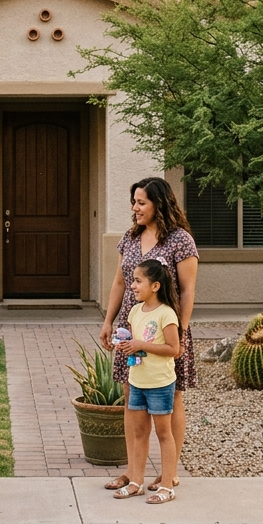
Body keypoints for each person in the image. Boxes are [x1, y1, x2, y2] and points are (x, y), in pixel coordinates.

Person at [99, 177, 198, 493]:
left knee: (172, 398)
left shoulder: (180, 240)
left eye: (141, 202)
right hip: (132, 328)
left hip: (166, 329)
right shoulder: (130, 238)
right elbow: (119, 283)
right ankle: (133, 472)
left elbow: (187, 289)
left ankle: (168, 474)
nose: (135, 208)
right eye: (134, 202)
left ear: (159, 203)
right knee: (132, 399)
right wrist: (108, 322)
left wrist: (179, 333)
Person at [111, 259, 184, 504]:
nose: (132, 285)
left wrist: (141, 345)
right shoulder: (134, 312)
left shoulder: (167, 314)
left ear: (154, 286)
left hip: (160, 383)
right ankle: (136, 482)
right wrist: (127, 347)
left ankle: (167, 486)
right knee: (140, 432)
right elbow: (138, 345)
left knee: (164, 433)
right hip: (138, 381)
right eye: (132, 280)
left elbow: (174, 349)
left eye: (137, 281)